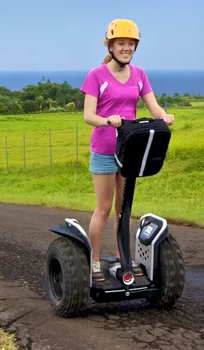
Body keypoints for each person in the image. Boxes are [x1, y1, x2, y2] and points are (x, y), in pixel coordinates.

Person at [80, 18, 174, 280]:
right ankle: (95, 261)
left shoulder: (139, 74)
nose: (126, 48)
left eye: (131, 44)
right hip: (104, 149)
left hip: (129, 149)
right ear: (111, 46)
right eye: (121, 43)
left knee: (125, 208)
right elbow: (88, 115)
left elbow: (153, 106)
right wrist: (106, 120)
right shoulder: (96, 75)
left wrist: (164, 116)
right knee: (104, 208)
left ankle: (124, 259)